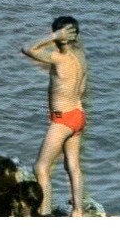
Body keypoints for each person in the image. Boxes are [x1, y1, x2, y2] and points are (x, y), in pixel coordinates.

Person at [23, 17, 88, 216]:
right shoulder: (81, 56)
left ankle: (45, 214)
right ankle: (78, 211)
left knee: (41, 167)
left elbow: (27, 48)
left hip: (63, 119)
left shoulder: (58, 58)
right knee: (73, 166)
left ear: (60, 36)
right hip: (78, 114)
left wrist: (52, 36)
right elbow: (82, 88)